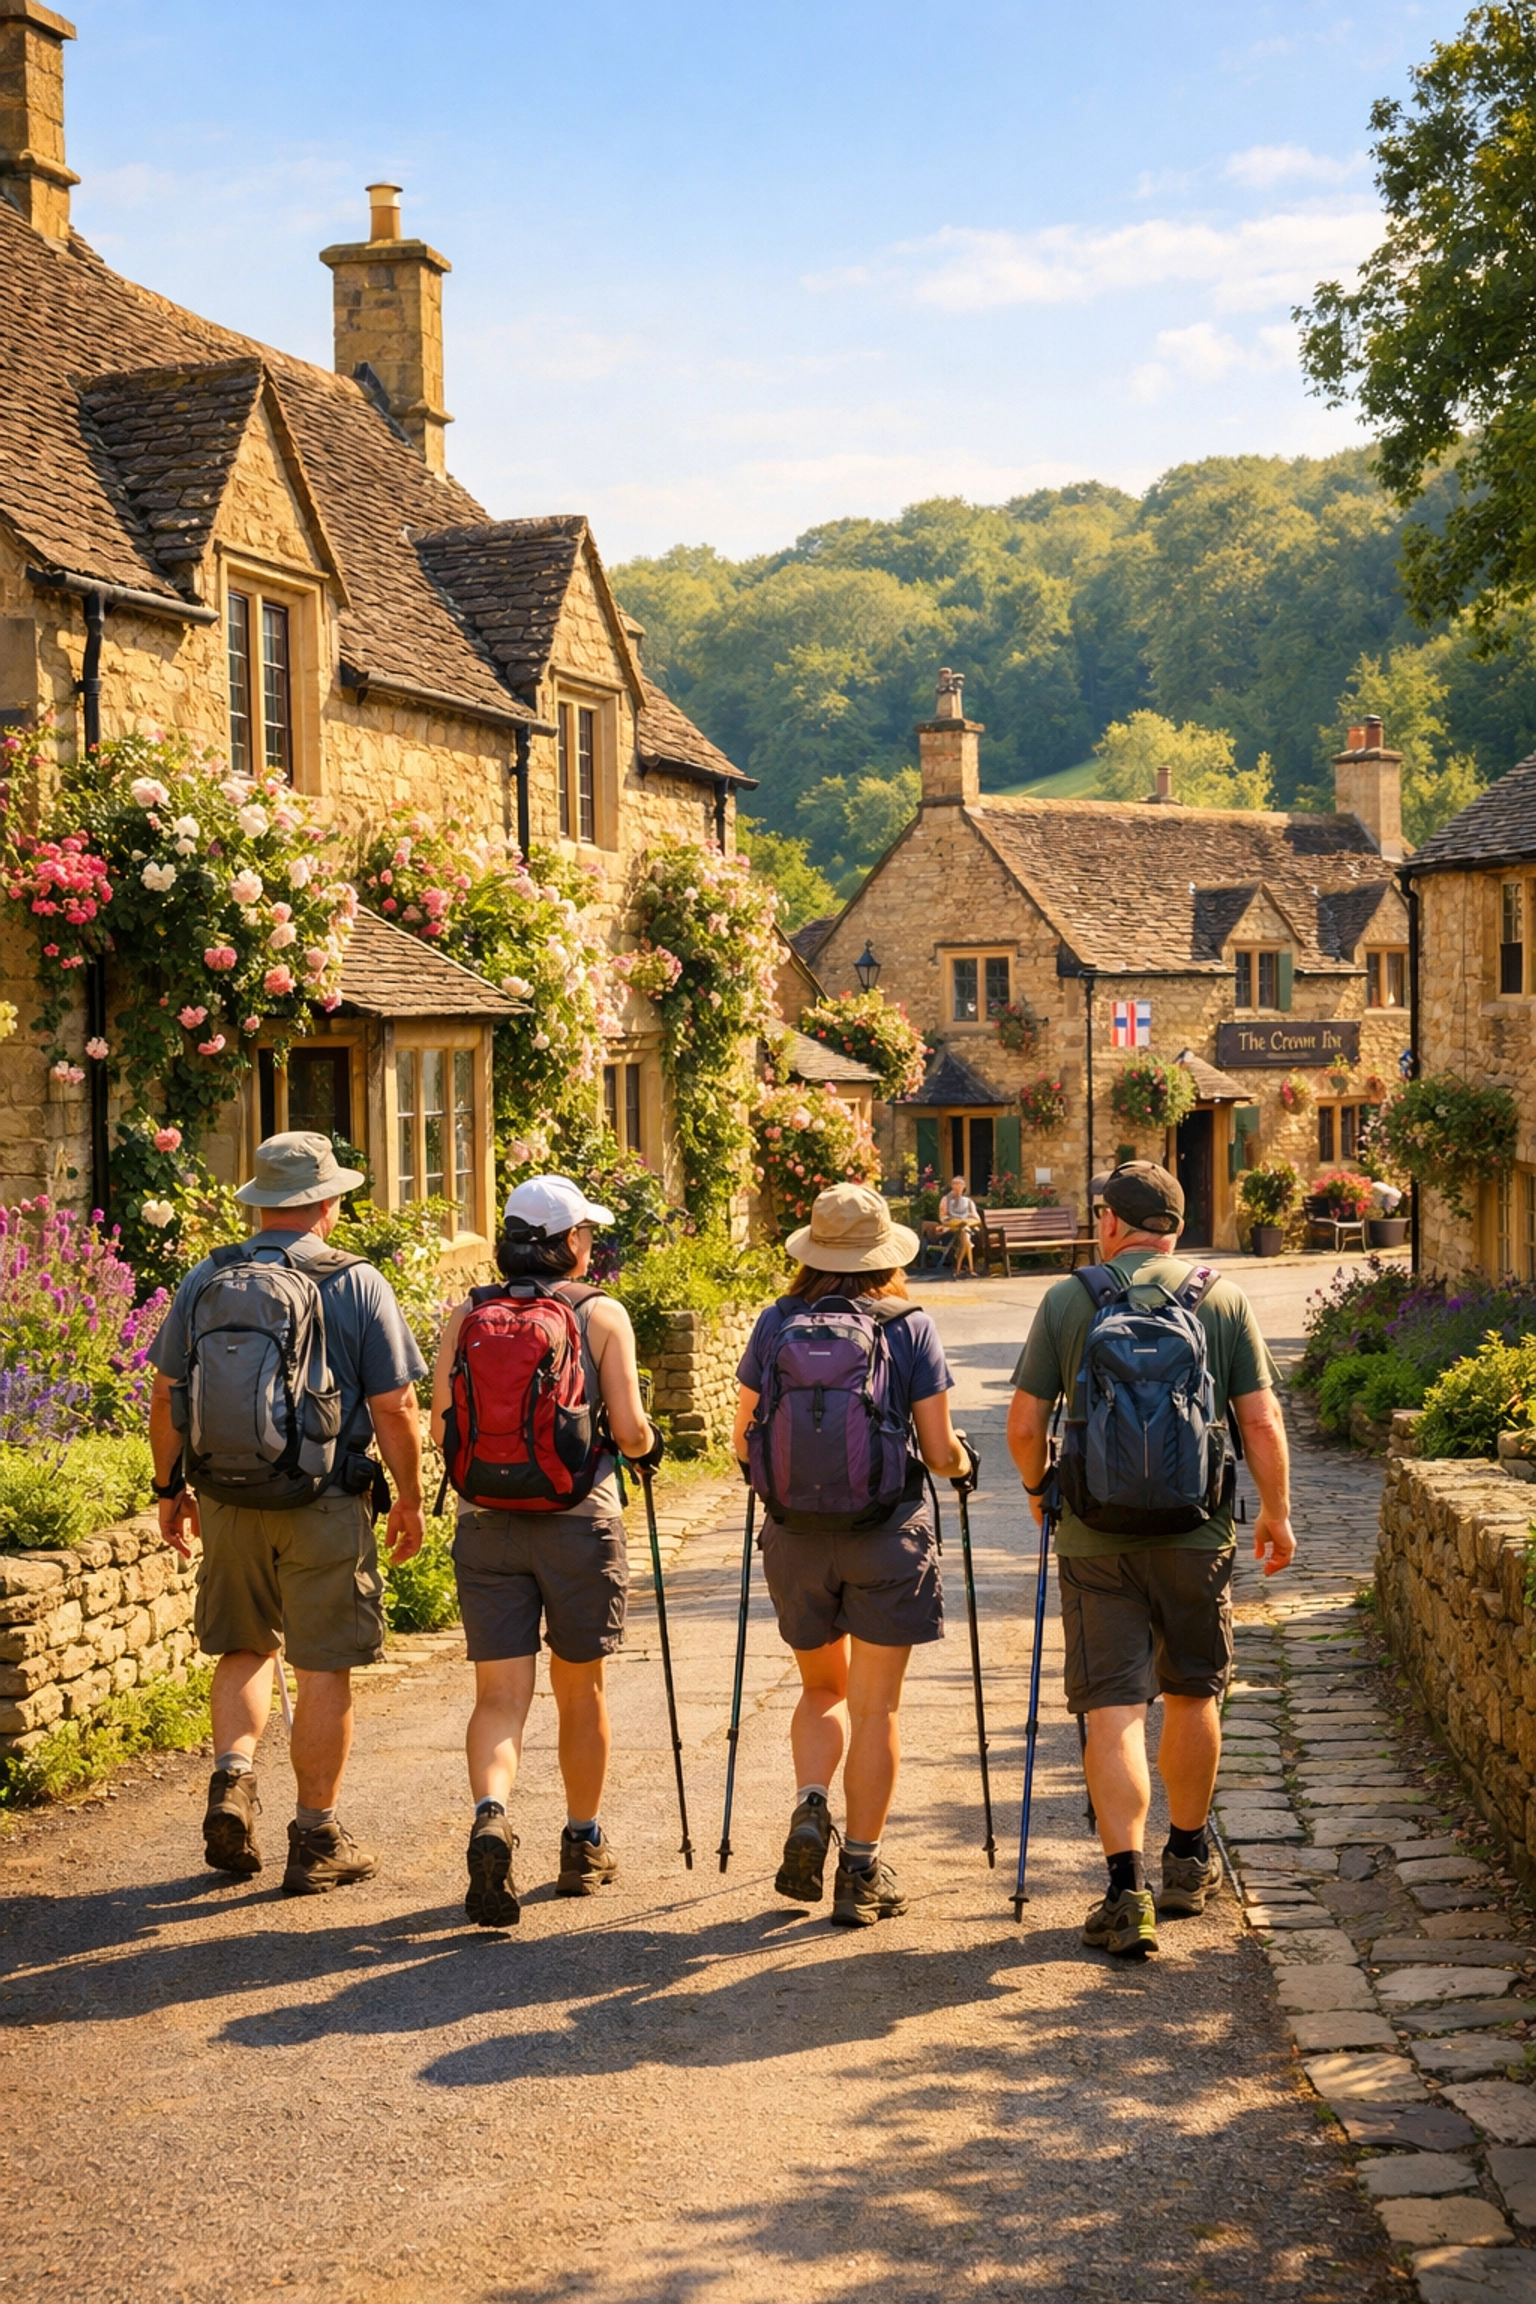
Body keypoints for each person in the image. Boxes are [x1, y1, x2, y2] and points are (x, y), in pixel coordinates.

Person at [1006, 1160, 1295, 1957]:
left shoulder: (1071, 1298)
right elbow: (1261, 1421)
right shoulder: (1221, 1297)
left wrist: (1040, 1491)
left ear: (1109, 1222)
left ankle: (1124, 1891)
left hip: (1096, 1538)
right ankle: (1188, 1857)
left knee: (1114, 1710)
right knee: (1194, 1694)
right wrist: (1276, 1513)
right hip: (1197, 1533)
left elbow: (1026, 1426)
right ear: (1173, 1226)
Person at [148, 1132, 427, 1894]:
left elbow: (167, 1394)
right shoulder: (356, 1281)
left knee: (243, 1647)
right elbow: (396, 1406)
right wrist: (407, 1496)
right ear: (326, 1203)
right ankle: (316, 1836)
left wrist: (170, 1490)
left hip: (229, 1498)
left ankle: (233, 1781)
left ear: (263, 1203)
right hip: (324, 1500)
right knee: (321, 1663)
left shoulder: (207, 1275)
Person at [732, 1182, 973, 1927]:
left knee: (820, 1690)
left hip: (796, 1540)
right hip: (885, 1536)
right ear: (882, 1255)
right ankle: (861, 1867)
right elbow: (938, 1451)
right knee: (876, 1707)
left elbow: (742, 1439)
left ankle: (811, 1804)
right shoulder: (908, 1327)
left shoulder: (775, 1323)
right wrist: (965, 1465)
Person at [429, 1175, 658, 1927]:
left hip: (486, 1519)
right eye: (585, 1233)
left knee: (497, 1696)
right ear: (569, 1242)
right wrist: (647, 1442)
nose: (589, 1243)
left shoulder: (466, 1313)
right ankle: (581, 1842)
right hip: (577, 1520)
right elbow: (627, 1433)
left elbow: (441, 1430)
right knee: (579, 1689)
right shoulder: (598, 1313)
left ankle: (492, 1812)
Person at [937, 1175, 981, 1274]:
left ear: (964, 1187)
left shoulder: (968, 1201)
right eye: (955, 1184)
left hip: (965, 1227)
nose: (957, 1187)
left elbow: (976, 1218)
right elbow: (942, 1217)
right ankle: (966, 1268)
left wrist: (968, 1222)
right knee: (962, 1239)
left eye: (959, 1184)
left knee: (971, 1237)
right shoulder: (946, 1199)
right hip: (951, 1228)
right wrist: (951, 1222)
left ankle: (962, 1267)